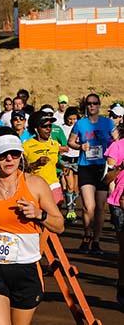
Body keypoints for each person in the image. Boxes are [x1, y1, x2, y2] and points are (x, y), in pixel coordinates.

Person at [0, 127, 64, 325]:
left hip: (26, 269)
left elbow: (59, 225)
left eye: (15, 154)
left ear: (21, 155)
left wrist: (39, 214)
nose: (9, 159)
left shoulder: (36, 184)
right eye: (3, 155)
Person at [68, 94, 114, 255]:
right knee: (89, 206)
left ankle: (96, 240)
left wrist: (112, 153)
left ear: (99, 105)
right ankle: (87, 235)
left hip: (103, 167)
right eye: (89, 103)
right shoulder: (80, 124)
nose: (92, 106)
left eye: (95, 103)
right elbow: (70, 142)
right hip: (86, 166)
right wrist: (80, 146)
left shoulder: (107, 123)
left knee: (100, 207)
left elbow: (117, 140)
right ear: (86, 106)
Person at [23, 111, 65, 205]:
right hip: (35, 187)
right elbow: (22, 169)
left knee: (56, 215)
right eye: (44, 126)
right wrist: (36, 163)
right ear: (36, 129)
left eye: (50, 126)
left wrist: (62, 167)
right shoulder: (27, 146)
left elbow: (54, 161)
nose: (48, 129)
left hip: (54, 185)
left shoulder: (54, 144)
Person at [103, 124, 124, 307]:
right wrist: (119, 167)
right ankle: (122, 286)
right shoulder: (117, 147)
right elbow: (105, 178)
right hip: (120, 204)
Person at [60, 107, 81, 222]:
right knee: (70, 186)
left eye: (74, 119)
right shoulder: (62, 128)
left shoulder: (80, 127)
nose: (72, 121)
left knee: (76, 189)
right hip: (66, 159)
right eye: (70, 119)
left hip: (78, 158)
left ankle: (72, 205)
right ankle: (70, 211)